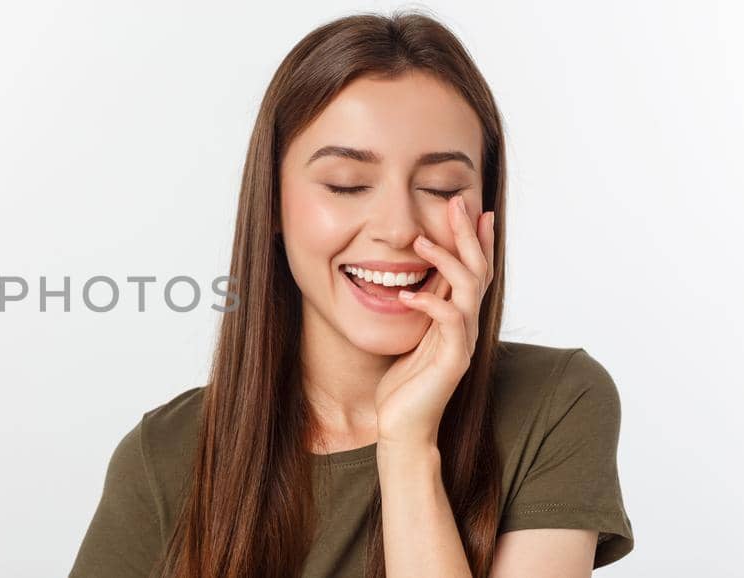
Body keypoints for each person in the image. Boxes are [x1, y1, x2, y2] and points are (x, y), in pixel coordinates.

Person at [69, 11, 633, 578]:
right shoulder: (165, 456)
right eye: (346, 184)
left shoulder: (556, 404)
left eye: (441, 188)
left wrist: (409, 447)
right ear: (274, 202)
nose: (396, 227)